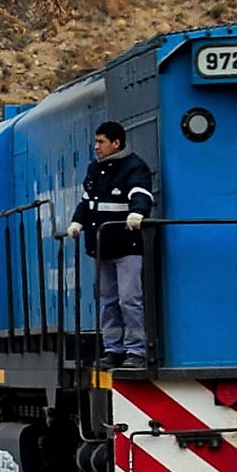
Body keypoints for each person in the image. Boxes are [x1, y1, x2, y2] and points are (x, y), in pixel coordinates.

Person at [77, 118, 157, 366]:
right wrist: (78, 222)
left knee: (128, 299)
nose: (96, 147)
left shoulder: (134, 168)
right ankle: (113, 349)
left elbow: (141, 193)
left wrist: (138, 212)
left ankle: (136, 351)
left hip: (127, 247)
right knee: (108, 301)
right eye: (96, 142)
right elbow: (86, 201)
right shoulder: (95, 169)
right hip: (102, 248)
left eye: (101, 142)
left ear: (116, 143)